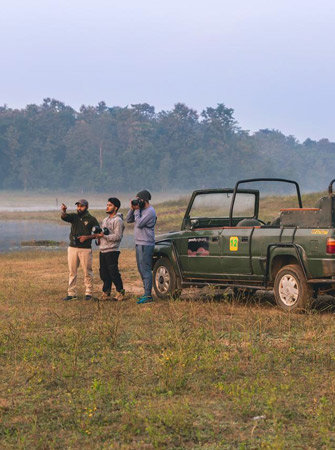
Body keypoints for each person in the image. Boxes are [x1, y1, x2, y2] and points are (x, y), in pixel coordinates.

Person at [61, 199, 99, 301]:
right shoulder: (74, 217)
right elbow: (64, 217)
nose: (79, 208)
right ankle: (71, 293)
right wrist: (64, 211)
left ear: (86, 207)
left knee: (87, 271)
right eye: (78, 206)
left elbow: (98, 233)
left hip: (85, 248)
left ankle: (89, 293)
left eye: (81, 206)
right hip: (72, 247)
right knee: (72, 271)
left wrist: (87, 237)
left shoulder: (91, 219)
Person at [126, 190, 157, 304]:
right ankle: (146, 293)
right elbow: (129, 220)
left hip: (146, 243)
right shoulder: (139, 210)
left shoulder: (150, 212)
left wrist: (137, 210)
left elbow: (139, 224)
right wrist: (132, 209)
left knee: (146, 269)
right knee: (141, 269)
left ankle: (148, 295)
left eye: (138, 200)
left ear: (144, 200)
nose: (137, 202)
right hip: (139, 243)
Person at [95, 197, 125, 301]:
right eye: (107, 205)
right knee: (103, 273)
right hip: (103, 250)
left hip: (112, 250)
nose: (107, 207)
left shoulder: (118, 221)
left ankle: (120, 292)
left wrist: (104, 236)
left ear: (115, 208)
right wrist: (98, 237)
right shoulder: (105, 220)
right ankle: (106, 293)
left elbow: (118, 236)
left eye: (110, 205)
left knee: (113, 272)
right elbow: (102, 234)